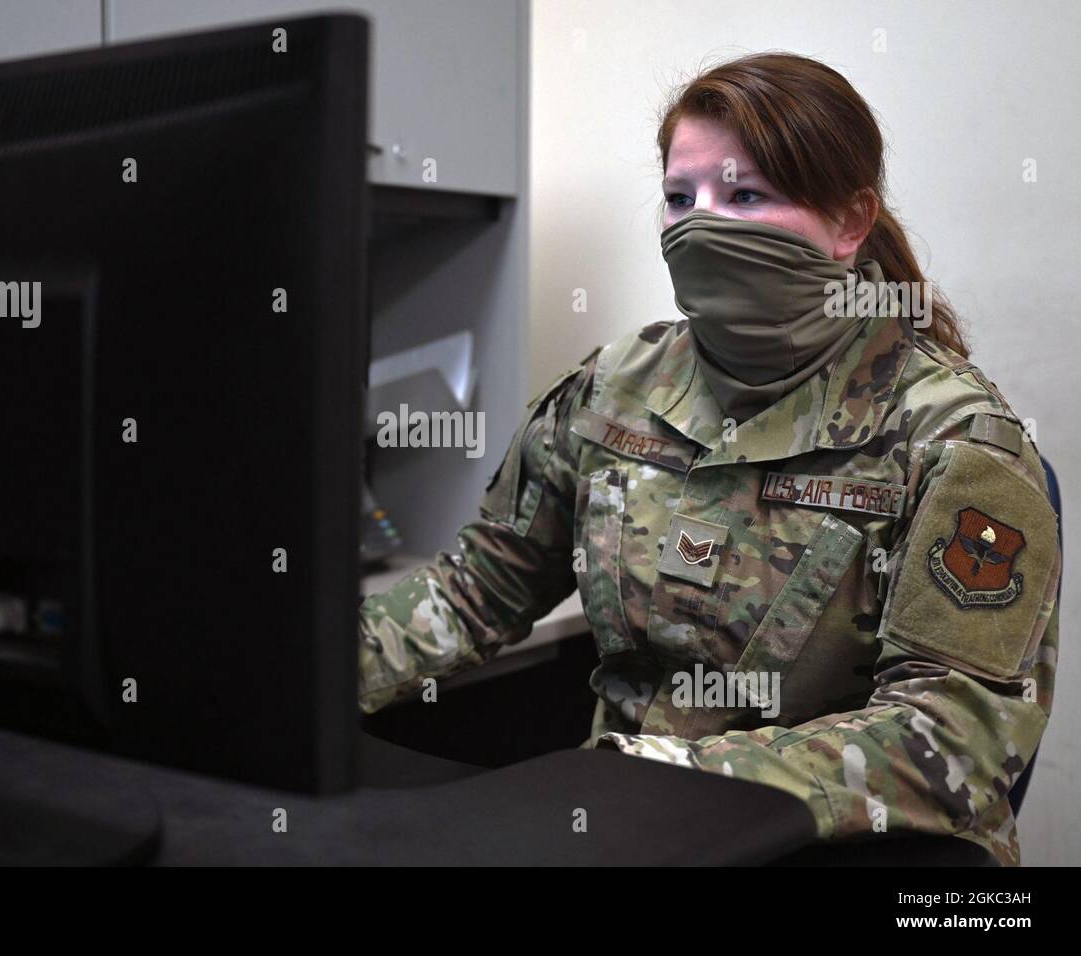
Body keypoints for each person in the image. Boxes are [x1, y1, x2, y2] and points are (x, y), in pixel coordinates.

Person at [356, 52, 1060, 866]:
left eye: (745, 195)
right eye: (679, 198)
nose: (701, 224)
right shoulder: (613, 388)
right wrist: (305, 671)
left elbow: (954, 738)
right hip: (620, 826)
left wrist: (674, 776)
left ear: (850, 221)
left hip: (837, 846)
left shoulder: (955, 437)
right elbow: (478, 589)